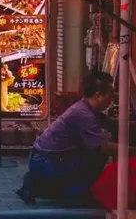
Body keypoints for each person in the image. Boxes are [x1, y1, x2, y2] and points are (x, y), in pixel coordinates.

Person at [17, 71, 136, 205]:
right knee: (96, 154)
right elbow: (103, 146)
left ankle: (43, 185)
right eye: (110, 96)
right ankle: (73, 195)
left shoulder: (87, 109)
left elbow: (112, 124)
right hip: (44, 162)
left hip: (46, 158)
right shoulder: (82, 114)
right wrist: (132, 150)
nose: (111, 101)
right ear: (99, 95)